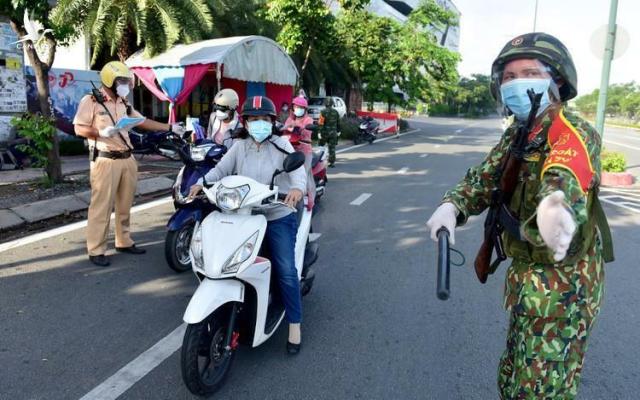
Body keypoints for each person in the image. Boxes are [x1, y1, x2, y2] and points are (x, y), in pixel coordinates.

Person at [426, 32, 612, 399]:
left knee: (540, 392)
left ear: (556, 80)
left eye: (528, 72)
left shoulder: (570, 132)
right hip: (528, 284)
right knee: (513, 379)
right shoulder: (520, 133)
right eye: (508, 77)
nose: (516, 82)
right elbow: (485, 177)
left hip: (562, 293)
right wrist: (453, 205)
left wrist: (555, 208)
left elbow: (565, 176)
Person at [188, 95, 306, 354]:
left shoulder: (282, 145)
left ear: (272, 122)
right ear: (246, 122)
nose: (259, 124)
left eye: (264, 119)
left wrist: (296, 190)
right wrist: (201, 183)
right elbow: (220, 169)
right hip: (243, 214)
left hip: (276, 214)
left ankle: (294, 324)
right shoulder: (240, 147)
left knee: (286, 270)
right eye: (253, 119)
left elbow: (298, 172)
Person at [73, 61, 186, 267]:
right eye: (122, 80)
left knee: (125, 204)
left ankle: (123, 241)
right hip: (105, 160)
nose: (125, 84)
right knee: (101, 207)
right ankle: (96, 249)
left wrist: (170, 127)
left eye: (126, 80)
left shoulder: (123, 103)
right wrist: (100, 132)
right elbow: (79, 128)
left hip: (127, 158)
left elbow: (142, 121)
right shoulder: (91, 100)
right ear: (110, 80)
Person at [285, 96, 316, 208]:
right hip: (292, 149)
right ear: (292, 108)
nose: (298, 109)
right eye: (296, 107)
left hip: (305, 151)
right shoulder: (289, 119)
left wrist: (298, 127)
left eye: (300, 107)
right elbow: (285, 129)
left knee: (305, 175)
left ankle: (310, 200)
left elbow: (307, 130)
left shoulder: (308, 120)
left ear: (305, 109)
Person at [319, 97, 340, 167]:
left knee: (321, 147)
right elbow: (338, 123)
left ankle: (320, 160)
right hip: (333, 133)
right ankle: (332, 162)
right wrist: (339, 131)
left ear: (325, 103)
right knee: (332, 148)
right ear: (332, 103)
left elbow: (321, 123)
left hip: (325, 133)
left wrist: (319, 132)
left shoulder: (323, 112)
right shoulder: (336, 112)